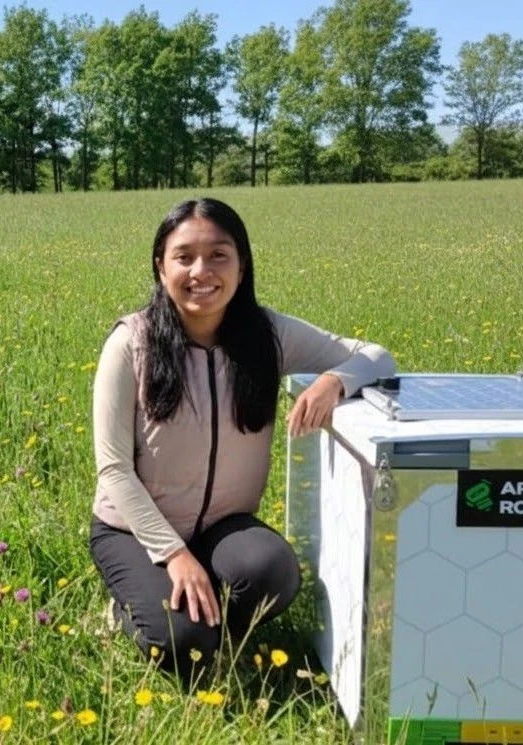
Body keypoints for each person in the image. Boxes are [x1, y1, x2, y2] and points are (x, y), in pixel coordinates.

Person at [88, 197, 395, 683]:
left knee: (274, 571)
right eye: (183, 256)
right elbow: (114, 471)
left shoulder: (267, 333)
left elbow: (376, 357)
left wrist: (333, 381)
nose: (201, 271)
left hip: (222, 526)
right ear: (160, 266)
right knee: (183, 644)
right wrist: (175, 555)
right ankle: (130, 612)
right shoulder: (131, 342)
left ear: (242, 264)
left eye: (218, 255)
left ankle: (206, 620)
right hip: (134, 532)